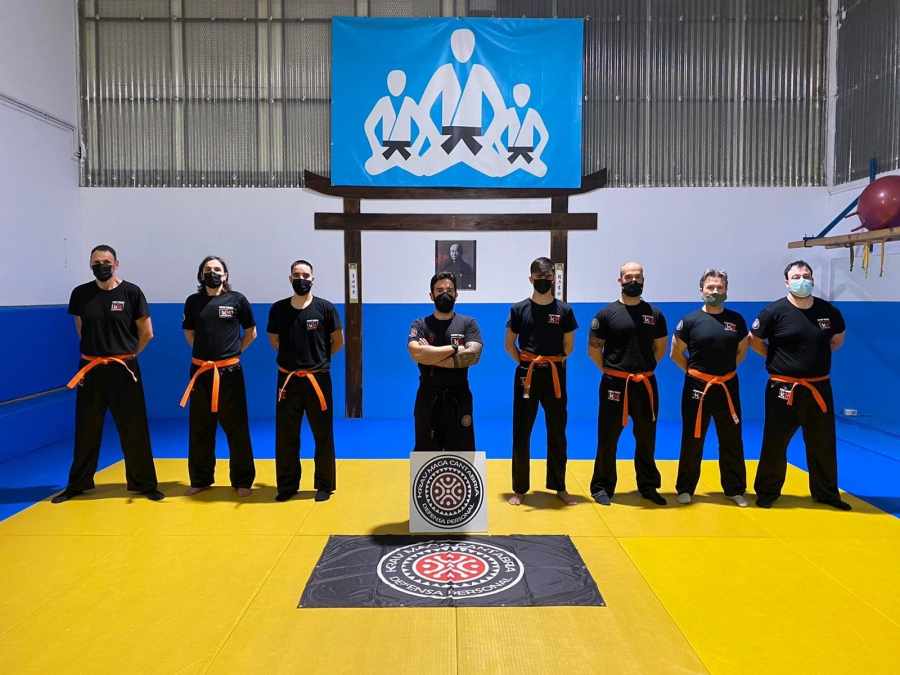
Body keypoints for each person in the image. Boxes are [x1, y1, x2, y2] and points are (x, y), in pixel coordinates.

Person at [53, 244, 162, 503]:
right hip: (90, 370)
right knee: (87, 428)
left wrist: (126, 354)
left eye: (105, 261)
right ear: (90, 265)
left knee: (134, 428)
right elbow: (82, 330)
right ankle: (78, 484)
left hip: (124, 370)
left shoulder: (131, 293)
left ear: (116, 264)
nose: (101, 265)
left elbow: (147, 332)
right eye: (96, 262)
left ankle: (144, 484)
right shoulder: (80, 294)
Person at [749, 260, 850, 510]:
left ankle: (826, 493)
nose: (802, 279)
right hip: (783, 388)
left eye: (806, 275)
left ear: (812, 279)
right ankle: (767, 492)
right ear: (787, 282)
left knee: (823, 442)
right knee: (775, 441)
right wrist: (779, 360)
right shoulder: (773, 312)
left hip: (818, 388)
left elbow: (836, 340)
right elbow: (756, 341)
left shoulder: (828, 312)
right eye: (796, 276)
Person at [588, 262, 668, 506]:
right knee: (608, 436)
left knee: (646, 436)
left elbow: (660, 347)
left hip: (645, 384)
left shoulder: (654, 314)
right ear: (620, 280)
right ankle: (602, 486)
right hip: (615, 383)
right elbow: (594, 348)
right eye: (628, 276)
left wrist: (643, 369)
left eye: (638, 276)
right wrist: (611, 371)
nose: (633, 280)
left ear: (644, 280)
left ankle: (648, 485)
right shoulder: (606, 314)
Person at [179, 256, 257, 497]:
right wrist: (205, 359)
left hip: (230, 373)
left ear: (225, 275)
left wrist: (232, 355)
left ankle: (242, 481)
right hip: (201, 372)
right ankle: (201, 479)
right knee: (201, 426)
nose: (212, 273)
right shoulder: (193, 302)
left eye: (217, 269)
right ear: (200, 275)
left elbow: (251, 333)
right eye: (207, 269)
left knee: (237, 427)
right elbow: (189, 333)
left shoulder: (237, 300)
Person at [670, 269, 749, 507]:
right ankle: (685, 489)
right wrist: (696, 374)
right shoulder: (690, 321)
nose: (715, 291)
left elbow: (741, 351)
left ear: (726, 290)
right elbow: (675, 353)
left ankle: (734, 489)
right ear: (701, 290)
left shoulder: (736, 321)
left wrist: (723, 373)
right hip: (697, 386)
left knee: (731, 438)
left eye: (719, 287)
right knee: (693, 437)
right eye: (710, 287)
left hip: (726, 385)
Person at [267, 260, 343, 502]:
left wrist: (317, 360)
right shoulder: (278, 309)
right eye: (297, 275)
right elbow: (274, 340)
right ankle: (287, 486)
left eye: (306, 275)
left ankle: (324, 484)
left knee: (323, 434)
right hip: (288, 380)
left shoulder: (325, 308)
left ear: (313, 278)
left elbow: (337, 341)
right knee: (286, 434)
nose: (301, 278)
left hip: (318, 379)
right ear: (290, 279)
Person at [505, 257, 577, 506]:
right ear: (531, 279)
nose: (544, 280)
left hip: (555, 374)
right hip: (527, 374)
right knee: (521, 431)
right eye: (539, 277)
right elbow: (508, 344)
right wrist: (527, 362)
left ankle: (559, 486)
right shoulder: (518, 309)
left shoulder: (564, 311)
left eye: (548, 277)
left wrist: (550, 361)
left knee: (557, 430)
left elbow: (568, 346)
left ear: (554, 279)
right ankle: (519, 488)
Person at [407, 273, 483, 452]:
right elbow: (415, 351)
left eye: (449, 290)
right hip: (428, 397)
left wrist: (430, 356)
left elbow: (474, 355)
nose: (445, 294)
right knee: (426, 454)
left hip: (459, 397)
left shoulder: (468, 323)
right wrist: (455, 349)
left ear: (457, 294)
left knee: (462, 454)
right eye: (439, 290)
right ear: (431, 295)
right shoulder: (420, 324)